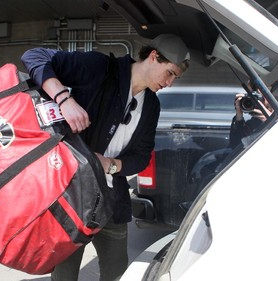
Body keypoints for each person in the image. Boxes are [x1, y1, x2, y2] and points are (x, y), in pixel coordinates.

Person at [21, 33, 190, 281]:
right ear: (154, 57)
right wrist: (64, 99)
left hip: (112, 203)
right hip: (72, 197)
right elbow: (33, 57)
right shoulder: (100, 68)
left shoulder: (152, 105)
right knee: (64, 274)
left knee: (116, 273)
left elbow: (141, 156)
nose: (171, 82)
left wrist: (111, 165)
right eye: (170, 73)